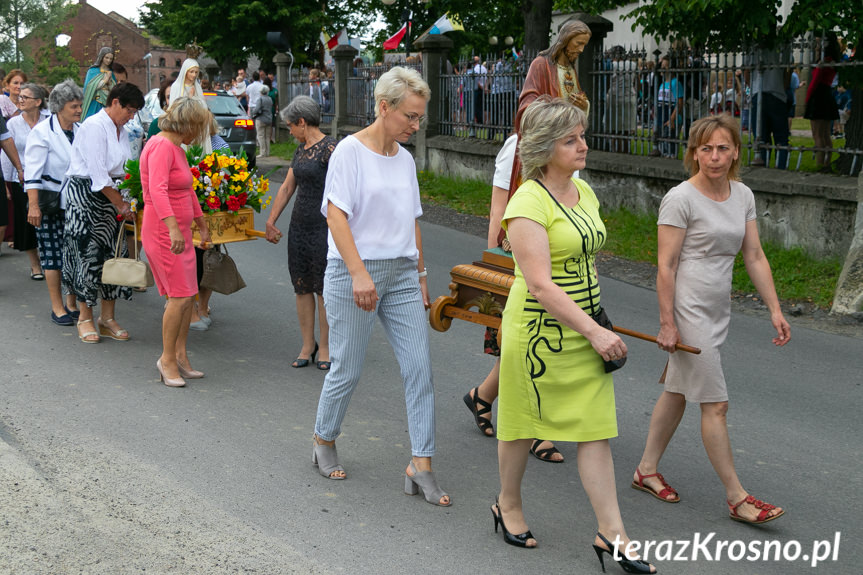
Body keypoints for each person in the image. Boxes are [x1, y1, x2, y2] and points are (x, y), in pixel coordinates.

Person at [493, 97, 655, 574]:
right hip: (540, 331)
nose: (583, 145)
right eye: (571, 139)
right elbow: (540, 284)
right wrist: (594, 331)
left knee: (595, 429)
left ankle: (613, 533)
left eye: (582, 135)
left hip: (585, 326)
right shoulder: (527, 201)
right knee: (522, 425)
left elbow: (584, 253)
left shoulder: (584, 194)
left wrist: (592, 322)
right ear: (545, 148)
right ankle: (508, 503)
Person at [632, 114, 789, 526]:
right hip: (688, 309)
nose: (714, 157)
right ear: (693, 152)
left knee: (679, 391)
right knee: (715, 404)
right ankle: (738, 498)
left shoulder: (742, 195)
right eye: (705, 149)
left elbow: (753, 255)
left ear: (736, 151)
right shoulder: (680, 198)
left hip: (718, 307)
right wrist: (668, 323)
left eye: (722, 148)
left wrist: (774, 308)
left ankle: (645, 470)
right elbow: (665, 266)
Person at [312, 67, 450, 507]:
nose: (415, 125)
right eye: (410, 116)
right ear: (384, 106)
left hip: (403, 274)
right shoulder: (349, 152)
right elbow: (336, 216)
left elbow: (411, 220)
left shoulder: (406, 159)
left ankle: (421, 464)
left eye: (420, 118)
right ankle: (323, 438)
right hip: (355, 272)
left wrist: (423, 276)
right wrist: (358, 273)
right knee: (348, 367)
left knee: (419, 369)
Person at [463, 132, 564, 464]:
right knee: (531, 343)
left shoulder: (568, 143)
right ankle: (536, 427)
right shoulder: (516, 146)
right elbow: (498, 210)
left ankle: (482, 395)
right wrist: (496, 269)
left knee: (531, 343)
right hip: (519, 254)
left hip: (555, 254)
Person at [63, 82, 145, 344]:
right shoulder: (94, 126)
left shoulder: (120, 128)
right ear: (116, 102)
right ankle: (85, 317)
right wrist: (121, 205)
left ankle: (107, 318)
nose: (131, 116)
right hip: (87, 196)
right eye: (129, 110)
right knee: (89, 256)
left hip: (113, 196)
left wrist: (128, 200)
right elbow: (98, 177)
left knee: (114, 256)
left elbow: (122, 169)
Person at [140, 98, 213, 387]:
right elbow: (157, 192)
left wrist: (201, 224)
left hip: (179, 231)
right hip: (164, 233)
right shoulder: (160, 146)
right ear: (189, 123)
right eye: (199, 127)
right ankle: (167, 359)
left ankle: (180, 357)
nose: (199, 134)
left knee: (187, 295)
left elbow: (187, 191)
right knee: (179, 297)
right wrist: (172, 228)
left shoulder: (176, 148)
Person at [265, 95, 335, 370]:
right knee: (302, 286)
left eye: (290, 126)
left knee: (323, 289)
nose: (289, 131)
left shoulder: (332, 149)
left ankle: (327, 347)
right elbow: (286, 188)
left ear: (302, 122)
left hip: (325, 227)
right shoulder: (301, 150)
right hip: (300, 227)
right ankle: (308, 345)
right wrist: (271, 220)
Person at [24, 80, 83, 325]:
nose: (79, 110)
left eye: (80, 105)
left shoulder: (80, 130)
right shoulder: (41, 132)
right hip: (48, 204)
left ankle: (71, 302)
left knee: (73, 255)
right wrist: (33, 206)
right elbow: (32, 173)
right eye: (74, 106)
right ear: (59, 107)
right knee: (52, 257)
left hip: (75, 204)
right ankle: (57, 306)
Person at [2, 83, 50, 280]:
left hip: (47, 179)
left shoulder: (50, 120)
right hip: (21, 178)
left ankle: (50, 261)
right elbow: (7, 153)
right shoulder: (13, 123)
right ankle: (35, 264)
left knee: (48, 220)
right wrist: (7, 182)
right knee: (28, 221)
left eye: (25, 97)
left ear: (38, 102)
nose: (20, 100)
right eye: (19, 97)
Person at [804, 34, 841, 173]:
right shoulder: (833, 61)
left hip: (818, 96)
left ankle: (820, 163)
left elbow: (815, 82)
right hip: (827, 95)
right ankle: (826, 162)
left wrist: (807, 99)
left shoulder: (824, 62)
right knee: (826, 134)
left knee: (817, 134)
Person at [82, 47, 117, 120]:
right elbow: (89, 86)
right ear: (101, 57)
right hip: (95, 102)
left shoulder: (111, 73)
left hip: (107, 103)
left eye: (111, 59)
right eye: (106, 58)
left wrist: (110, 82)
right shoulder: (93, 71)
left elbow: (114, 90)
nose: (108, 60)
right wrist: (105, 80)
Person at [251, 85, 273, 158]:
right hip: (269, 119)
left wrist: (253, 112)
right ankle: (267, 152)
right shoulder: (270, 99)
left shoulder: (260, 99)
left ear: (261, 92)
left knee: (261, 136)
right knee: (267, 136)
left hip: (261, 119)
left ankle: (262, 152)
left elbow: (257, 109)